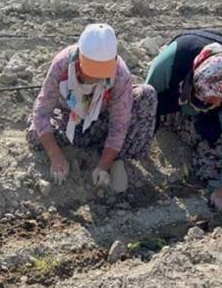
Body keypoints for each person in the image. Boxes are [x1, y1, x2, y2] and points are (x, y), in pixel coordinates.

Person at [27, 23, 158, 192]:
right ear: (80, 58)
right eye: (91, 71)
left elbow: (119, 125)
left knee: (147, 95)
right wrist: (55, 155)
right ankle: (86, 149)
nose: (96, 78)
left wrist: (103, 166)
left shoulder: (120, 73)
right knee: (35, 135)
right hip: (70, 119)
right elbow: (42, 111)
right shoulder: (63, 63)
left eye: (101, 72)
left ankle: (117, 158)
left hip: (101, 122)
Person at [146, 30, 222, 211]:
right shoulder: (168, 65)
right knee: (150, 104)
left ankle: (201, 139)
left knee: (213, 171)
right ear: (197, 82)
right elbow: (147, 106)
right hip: (180, 91)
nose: (218, 102)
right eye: (211, 98)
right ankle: (183, 129)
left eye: (220, 99)